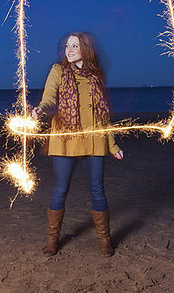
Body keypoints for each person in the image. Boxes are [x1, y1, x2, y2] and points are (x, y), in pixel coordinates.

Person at [31, 32, 124, 257]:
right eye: (67, 46)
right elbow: (49, 98)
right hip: (66, 137)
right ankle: (52, 241)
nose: (69, 50)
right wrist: (41, 109)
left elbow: (103, 114)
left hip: (94, 137)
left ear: (86, 49)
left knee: (98, 191)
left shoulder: (96, 75)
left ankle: (104, 241)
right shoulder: (58, 70)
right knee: (60, 189)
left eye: (75, 46)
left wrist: (112, 145)